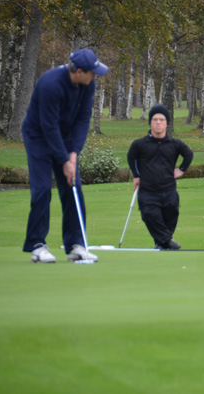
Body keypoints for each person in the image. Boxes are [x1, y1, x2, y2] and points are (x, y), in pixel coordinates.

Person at [22, 48, 109, 263]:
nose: (95, 76)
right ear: (78, 71)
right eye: (92, 72)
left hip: (66, 137)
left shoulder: (88, 84)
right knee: (42, 189)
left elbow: (83, 119)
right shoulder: (49, 83)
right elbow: (48, 126)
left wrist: (73, 155)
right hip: (39, 137)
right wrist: (63, 160)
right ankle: (37, 244)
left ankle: (76, 245)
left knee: (73, 188)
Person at [127, 105, 194, 250]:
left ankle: (162, 243)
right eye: (155, 119)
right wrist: (136, 175)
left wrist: (181, 169)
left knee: (172, 214)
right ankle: (167, 242)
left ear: (166, 123)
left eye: (161, 120)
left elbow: (189, 154)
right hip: (148, 190)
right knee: (149, 214)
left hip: (169, 189)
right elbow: (131, 157)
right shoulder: (140, 144)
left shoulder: (175, 144)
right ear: (150, 122)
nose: (158, 122)